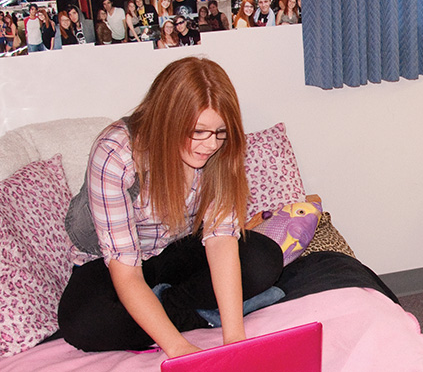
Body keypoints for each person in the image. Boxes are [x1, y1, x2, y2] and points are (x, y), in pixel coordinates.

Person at [57, 58, 278, 355]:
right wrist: (179, 348)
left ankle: (163, 307)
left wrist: (235, 340)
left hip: (177, 250)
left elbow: (221, 241)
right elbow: (126, 271)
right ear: (167, 120)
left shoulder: (222, 151)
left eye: (219, 131)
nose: (210, 145)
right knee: (84, 324)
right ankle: (187, 316)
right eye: (198, 131)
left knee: (264, 258)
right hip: (114, 263)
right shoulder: (117, 154)